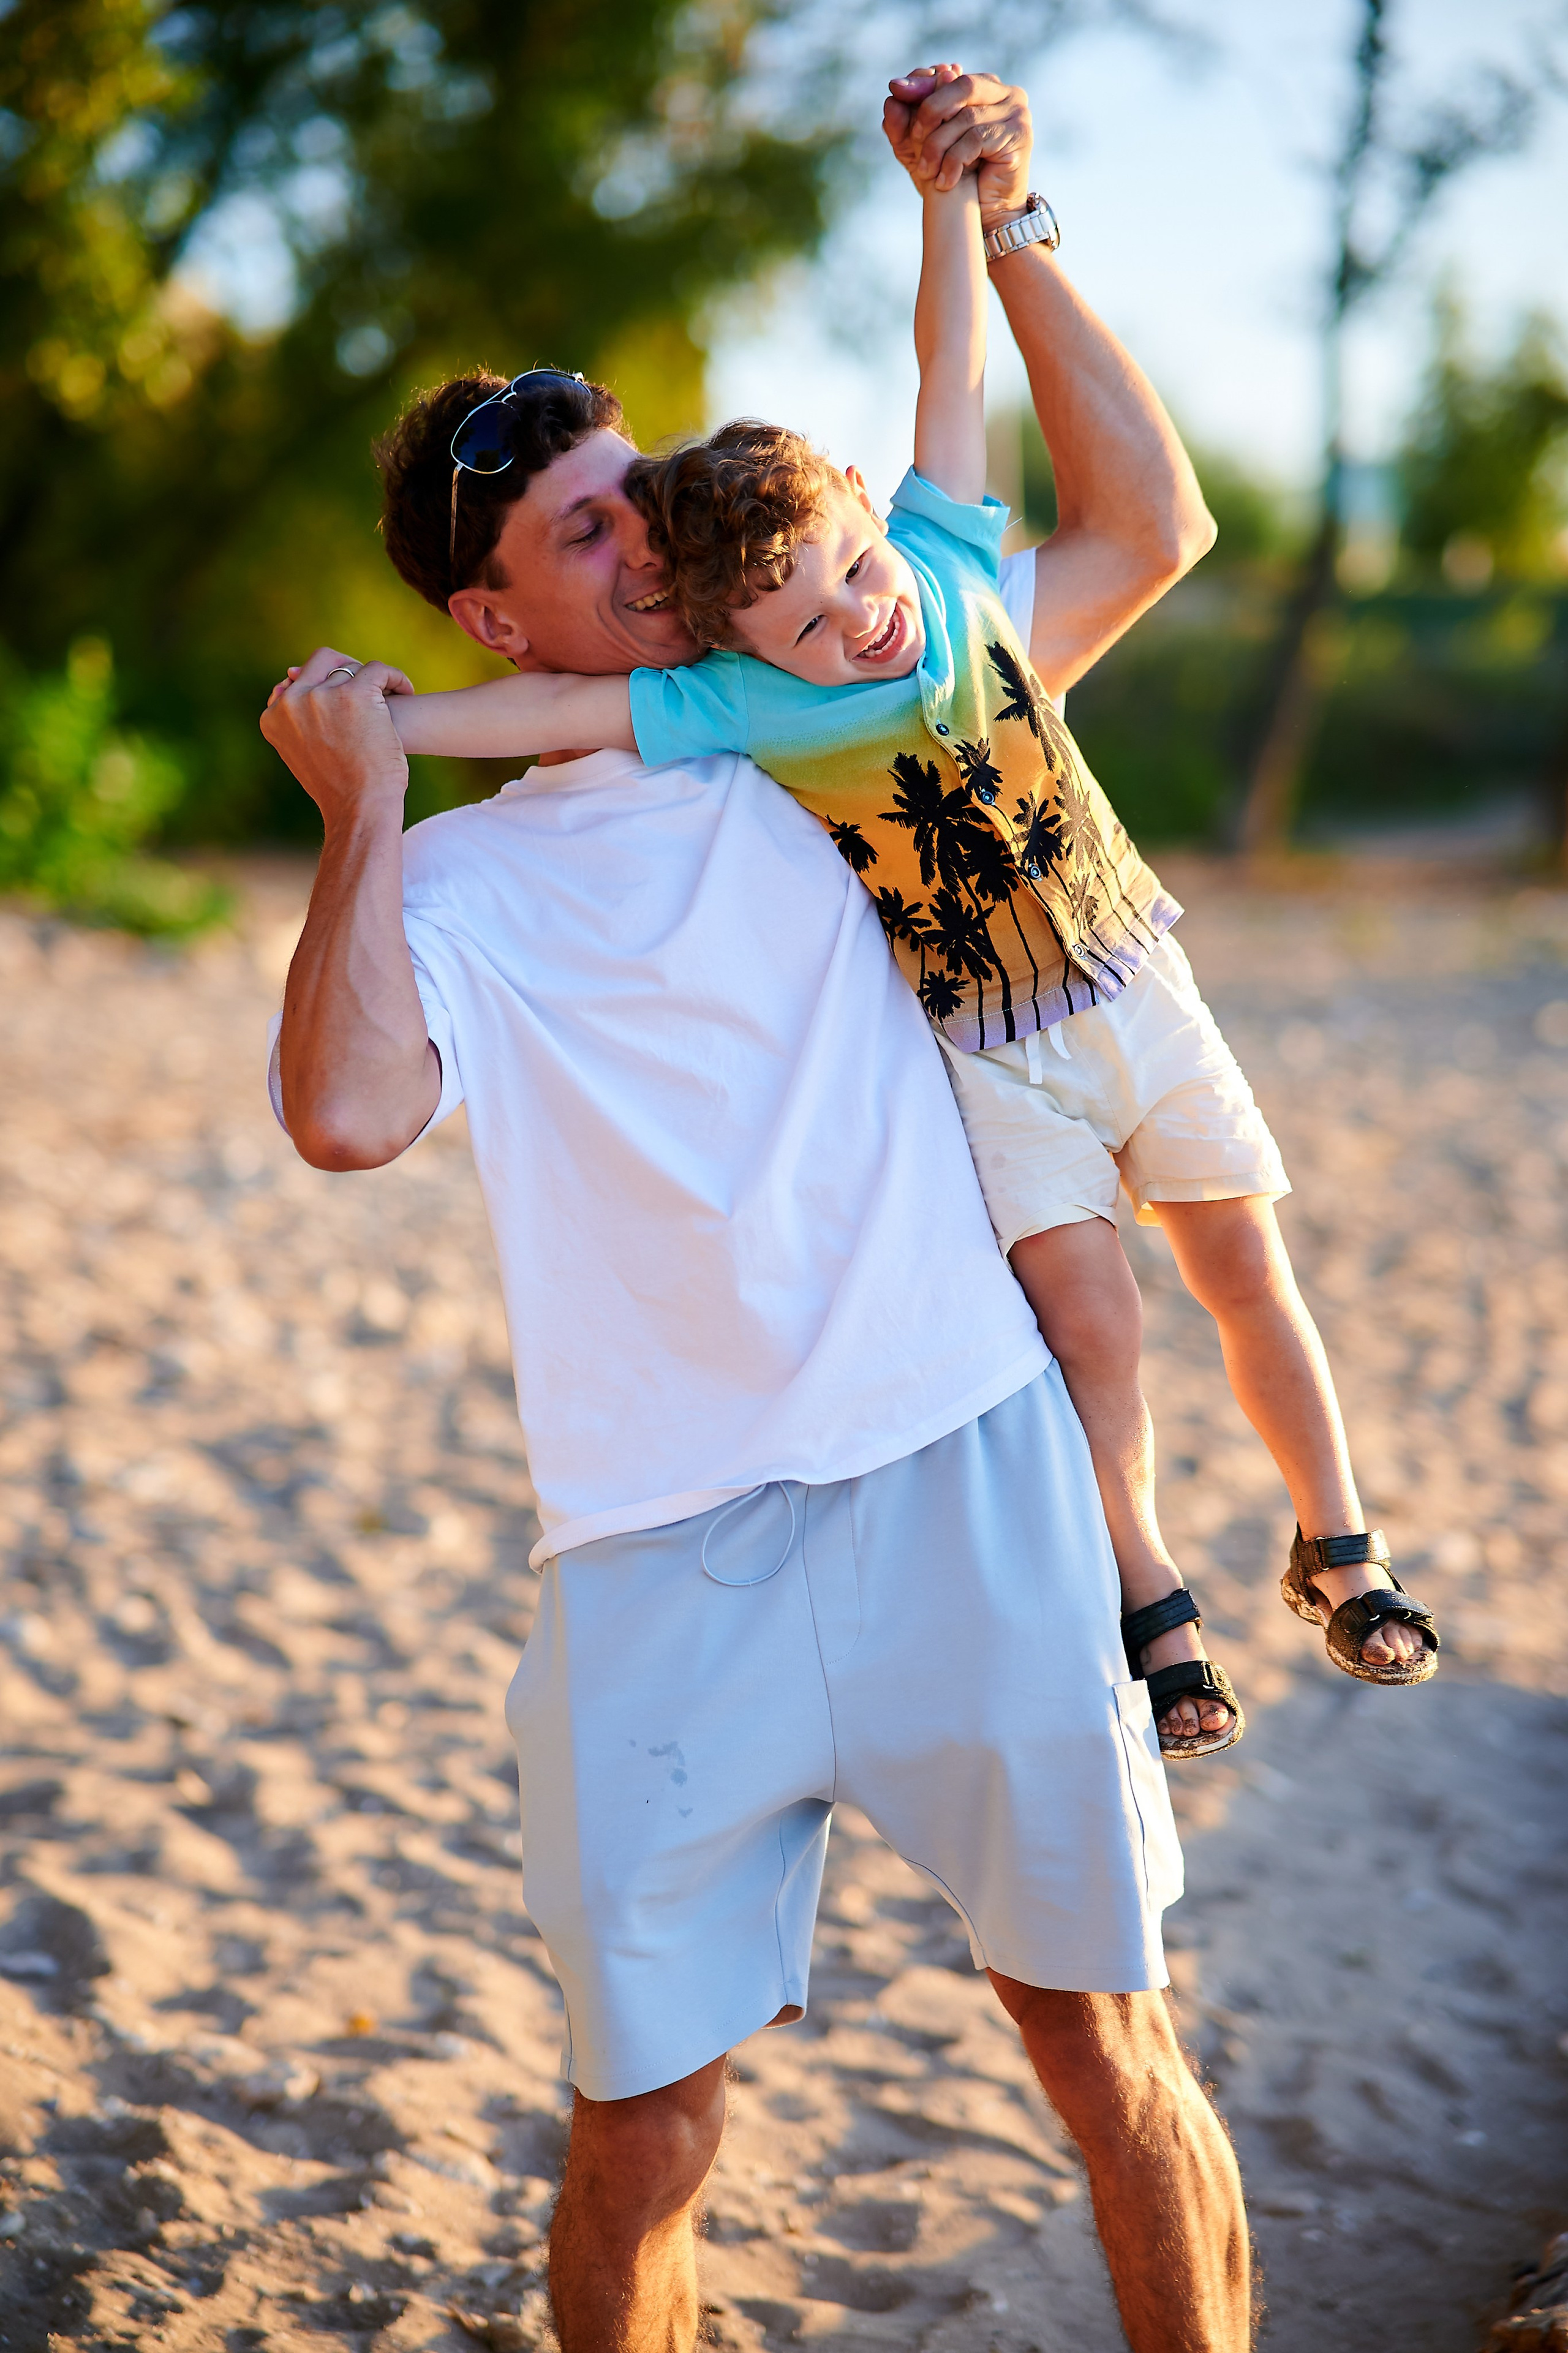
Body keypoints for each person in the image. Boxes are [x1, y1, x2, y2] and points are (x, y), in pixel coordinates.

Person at [262, 66, 1251, 2353]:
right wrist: (355, 820)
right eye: (584, 544)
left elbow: (1150, 521)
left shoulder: (845, 710)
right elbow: (341, 1115)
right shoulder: (471, 878)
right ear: (494, 630)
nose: (647, 549)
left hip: (965, 1466)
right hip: (655, 1547)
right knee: (644, 2131)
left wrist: (1004, 218)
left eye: (638, 504)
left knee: (1109, 2055)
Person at [363, 83, 1441, 1746]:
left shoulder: (933, 569)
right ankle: (1162, 1605)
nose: (854, 622)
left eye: (637, 501)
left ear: (868, 510)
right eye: (595, 533)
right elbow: (549, 736)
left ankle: (1340, 1543)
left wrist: (966, 203)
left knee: (1247, 1265)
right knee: (1103, 1318)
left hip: (1127, 980)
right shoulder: (738, 706)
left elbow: (1021, 427)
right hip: (984, 1075)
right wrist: (381, 729)